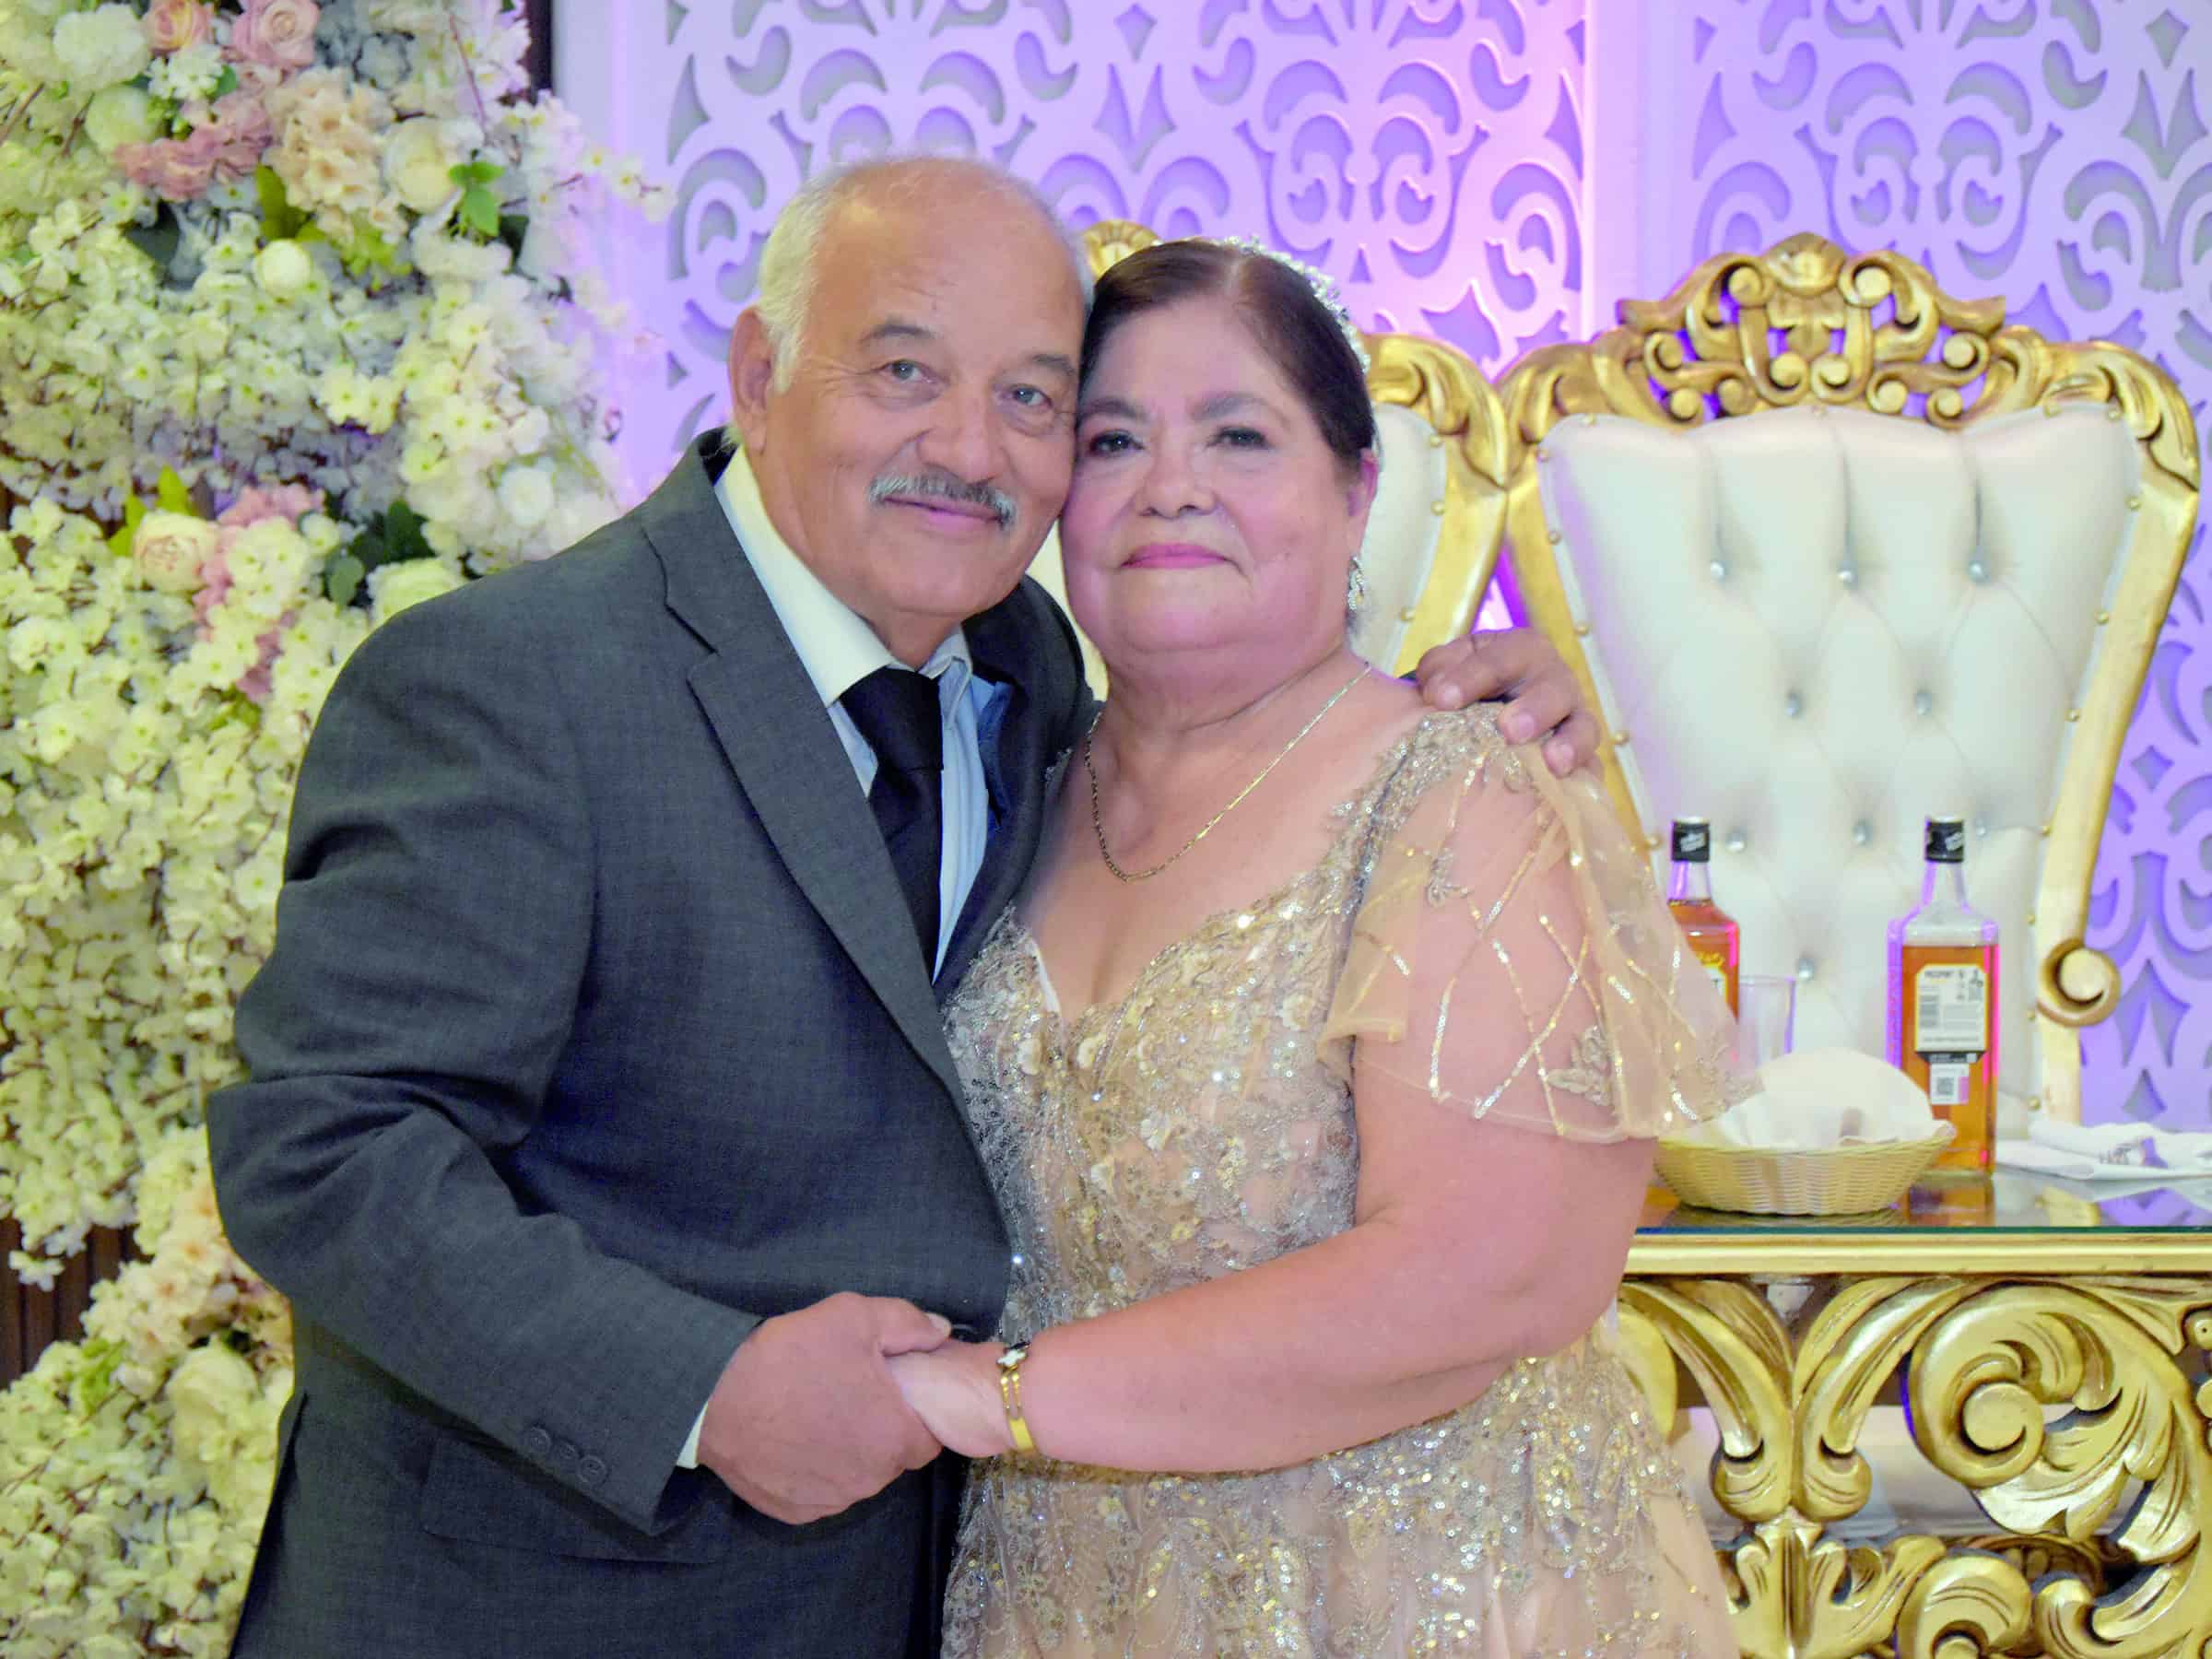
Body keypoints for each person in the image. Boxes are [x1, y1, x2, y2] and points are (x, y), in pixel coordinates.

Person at [205, 157, 1603, 1659]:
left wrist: (1478, 701)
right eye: (903, 373)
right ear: (760, 375)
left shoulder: (1027, 678)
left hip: (960, 1595)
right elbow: (326, 1147)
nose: (966, 449)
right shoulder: (514, 682)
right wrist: (700, 1389)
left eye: (1033, 400)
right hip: (543, 1604)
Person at [882, 238, 1743, 1655]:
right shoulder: (1004, 777)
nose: (1172, 485)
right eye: (1113, 440)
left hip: (1415, 1591)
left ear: (1356, 490)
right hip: (1065, 1598)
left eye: (1240, 436)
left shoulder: (1461, 789)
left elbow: (1491, 1274)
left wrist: (991, 1397)